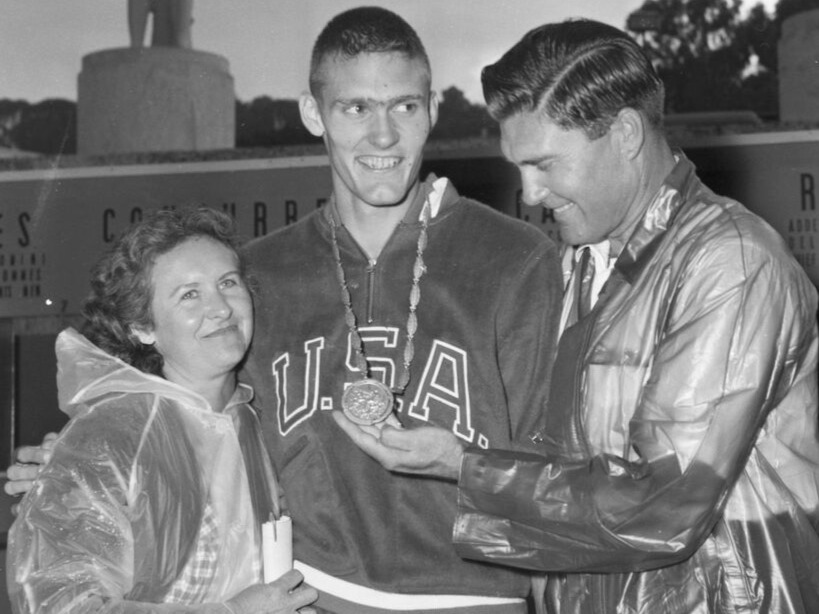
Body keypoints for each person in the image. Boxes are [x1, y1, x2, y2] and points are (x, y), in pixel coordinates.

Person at [6, 7, 563, 614]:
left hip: (478, 601)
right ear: (313, 114)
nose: (383, 136)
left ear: (432, 111)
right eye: (355, 107)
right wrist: (90, 466)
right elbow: (194, 414)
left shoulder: (518, 258)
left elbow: (556, 473)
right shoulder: (258, 275)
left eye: (404, 106)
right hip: (309, 600)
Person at [333, 18, 819, 614]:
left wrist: (463, 466)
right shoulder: (582, 259)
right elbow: (572, 467)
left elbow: (665, 506)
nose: (530, 192)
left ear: (624, 134)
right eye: (519, 168)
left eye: (544, 164)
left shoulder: (732, 263)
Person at [6, 208, 317, 614]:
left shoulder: (255, 422)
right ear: (142, 327)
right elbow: (60, 605)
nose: (221, 307)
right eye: (189, 294)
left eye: (228, 283)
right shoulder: (113, 434)